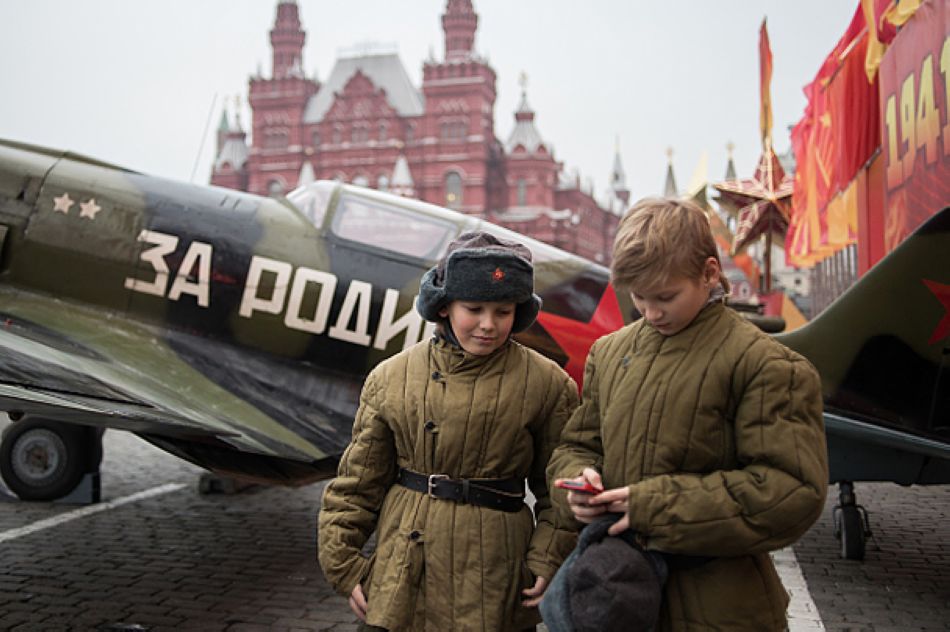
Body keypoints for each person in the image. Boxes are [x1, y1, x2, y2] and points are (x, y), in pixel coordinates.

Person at [546, 197, 828, 631]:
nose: (651, 312)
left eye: (666, 296)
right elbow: (578, 444)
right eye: (638, 297)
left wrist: (654, 508)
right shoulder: (610, 352)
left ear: (710, 273)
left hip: (719, 608)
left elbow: (791, 491)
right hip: (616, 600)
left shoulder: (767, 366)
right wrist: (578, 485)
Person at [318, 231, 579, 632]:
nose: (488, 325)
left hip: (497, 576)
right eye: (473, 308)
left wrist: (548, 558)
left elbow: (559, 488)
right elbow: (358, 482)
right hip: (403, 574)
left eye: (504, 311)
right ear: (443, 307)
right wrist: (345, 564)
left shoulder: (548, 385)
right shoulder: (391, 378)